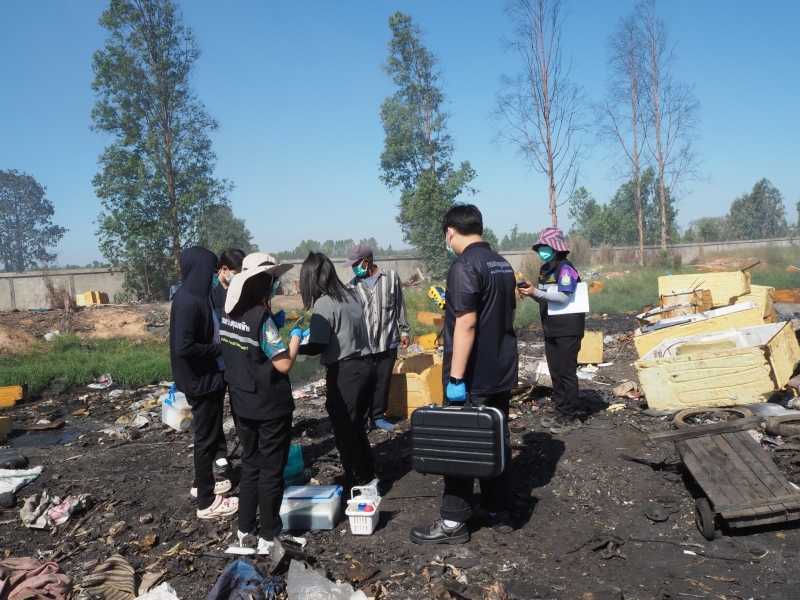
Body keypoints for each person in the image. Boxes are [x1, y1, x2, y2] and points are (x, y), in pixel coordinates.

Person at [409, 204, 518, 545]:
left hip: (473, 375)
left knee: (459, 445)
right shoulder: (502, 263)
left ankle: (453, 521)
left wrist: (456, 379)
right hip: (501, 369)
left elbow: (467, 323)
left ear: (450, 231)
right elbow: (506, 314)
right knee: (494, 440)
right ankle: (497, 510)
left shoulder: (464, 265)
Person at [219, 252, 305, 553]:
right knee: (271, 470)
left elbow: (245, 352)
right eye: (272, 280)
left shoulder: (228, 314)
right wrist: (295, 338)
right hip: (269, 406)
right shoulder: (261, 318)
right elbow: (283, 364)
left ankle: (245, 529)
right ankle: (269, 535)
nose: (274, 285)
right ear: (261, 284)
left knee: (250, 465)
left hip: (242, 402)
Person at [169, 246, 238, 519]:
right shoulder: (188, 301)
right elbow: (184, 346)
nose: (213, 275)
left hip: (208, 376)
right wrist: (220, 350)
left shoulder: (198, 296)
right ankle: (207, 502)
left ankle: (202, 483)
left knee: (206, 434)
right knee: (206, 439)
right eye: (211, 270)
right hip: (201, 379)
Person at [299, 252, 377, 492]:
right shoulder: (351, 295)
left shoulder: (324, 303)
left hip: (345, 373)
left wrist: (295, 346)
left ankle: (357, 480)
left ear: (312, 279)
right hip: (366, 367)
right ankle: (368, 472)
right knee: (356, 426)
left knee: (344, 430)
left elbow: (318, 344)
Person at [518, 226, 585, 435]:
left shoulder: (566, 268)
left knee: (567, 372)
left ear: (556, 247)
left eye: (544, 247)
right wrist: (531, 293)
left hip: (568, 328)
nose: (541, 251)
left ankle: (571, 416)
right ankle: (561, 411)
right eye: (540, 247)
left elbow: (563, 297)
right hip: (551, 327)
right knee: (556, 372)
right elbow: (544, 297)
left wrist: (536, 292)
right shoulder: (545, 269)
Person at [342, 244, 411, 432]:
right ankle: (363, 419)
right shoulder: (352, 286)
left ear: (366, 261)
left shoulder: (391, 277)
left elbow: (400, 305)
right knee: (364, 383)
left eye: (355, 264)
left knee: (383, 381)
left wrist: (405, 331)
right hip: (364, 345)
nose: (353, 268)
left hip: (388, 340)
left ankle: (378, 417)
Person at [210, 248, 246, 474]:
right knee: (215, 407)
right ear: (224, 270)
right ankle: (219, 453)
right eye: (236, 272)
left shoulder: (239, 291)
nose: (238, 277)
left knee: (239, 402)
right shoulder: (211, 295)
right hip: (217, 359)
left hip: (236, 357)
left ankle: (245, 441)